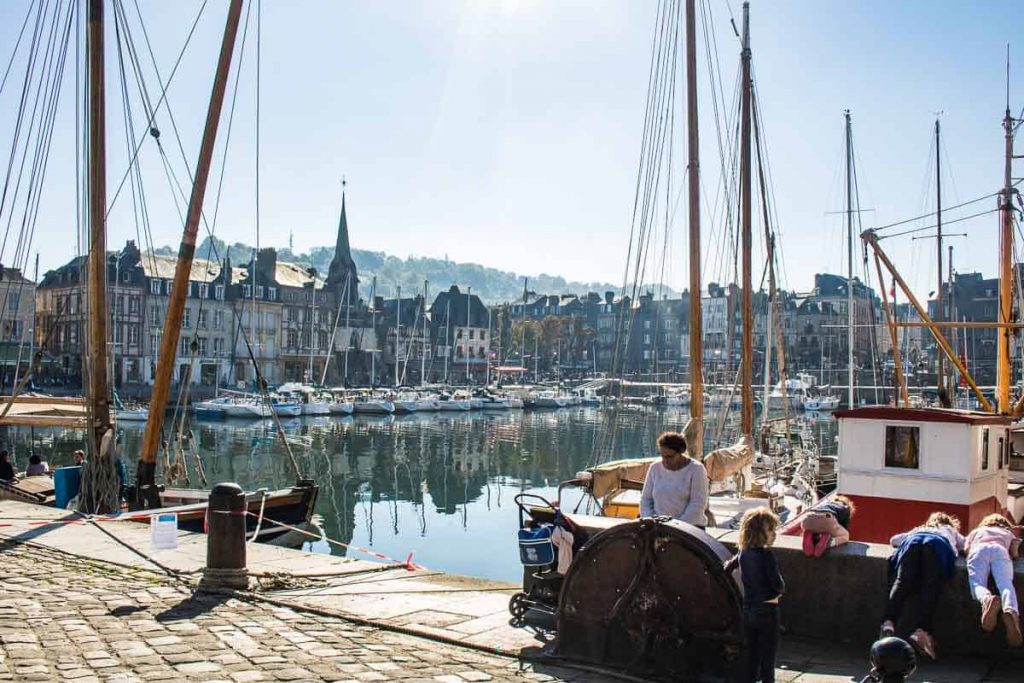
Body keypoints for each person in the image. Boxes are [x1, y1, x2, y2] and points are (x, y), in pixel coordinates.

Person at [880, 512, 965, 660]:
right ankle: (922, 631)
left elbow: (894, 540)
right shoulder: (951, 531)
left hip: (913, 542)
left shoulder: (919, 528)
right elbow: (967, 545)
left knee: (902, 582)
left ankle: (888, 622)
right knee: (930, 587)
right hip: (938, 544)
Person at [724, 508, 784, 683]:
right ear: (760, 533)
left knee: (751, 657)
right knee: (768, 659)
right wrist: (779, 591)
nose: (774, 534)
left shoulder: (743, 553)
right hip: (768, 610)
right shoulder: (767, 556)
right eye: (771, 530)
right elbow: (778, 585)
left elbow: (727, 568)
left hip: (748, 610)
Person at [964, 513, 1022, 646]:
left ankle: (987, 599)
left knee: (977, 584)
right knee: (1006, 584)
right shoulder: (1008, 533)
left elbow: (966, 549)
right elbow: (1014, 554)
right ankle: (1011, 611)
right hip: (1000, 549)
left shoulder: (976, 531)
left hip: (978, 550)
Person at [639, 431, 709, 528]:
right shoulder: (655, 467)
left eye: (669, 457)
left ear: (680, 452)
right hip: (657, 526)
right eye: (662, 455)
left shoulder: (697, 470)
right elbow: (646, 500)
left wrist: (676, 526)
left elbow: (697, 504)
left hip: (690, 527)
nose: (665, 460)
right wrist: (650, 520)